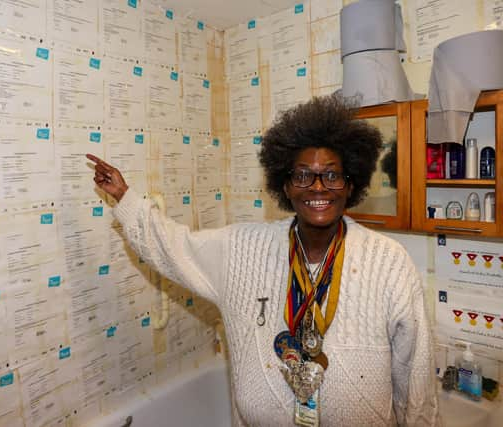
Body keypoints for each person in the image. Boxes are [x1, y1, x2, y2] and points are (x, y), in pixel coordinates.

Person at [87, 95, 440, 427]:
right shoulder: (241, 248)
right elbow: (175, 246)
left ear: (351, 185)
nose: (318, 187)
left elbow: (415, 373)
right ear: (284, 186)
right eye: (303, 175)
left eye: (332, 175)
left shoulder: (389, 261)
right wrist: (125, 197)